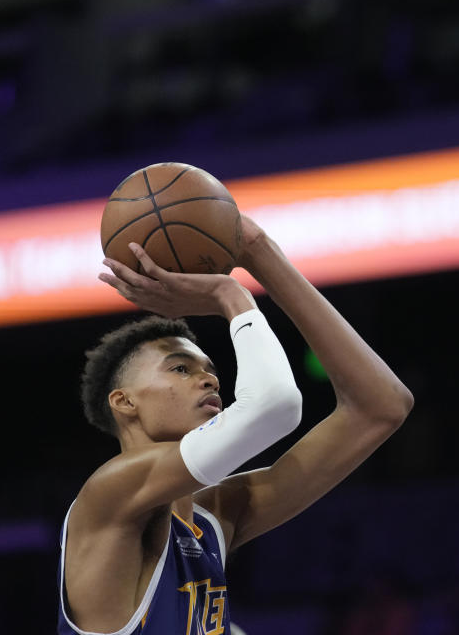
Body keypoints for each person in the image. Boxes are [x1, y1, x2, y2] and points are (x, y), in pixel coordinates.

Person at [57, 215, 414, 634]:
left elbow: (382, 407)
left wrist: (260, 251)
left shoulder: (215, 516)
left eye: (208, 369)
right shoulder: (111, 491)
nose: (208, 378)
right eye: (180, 368)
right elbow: (275, 406)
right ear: (124, 401)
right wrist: (231, 293)